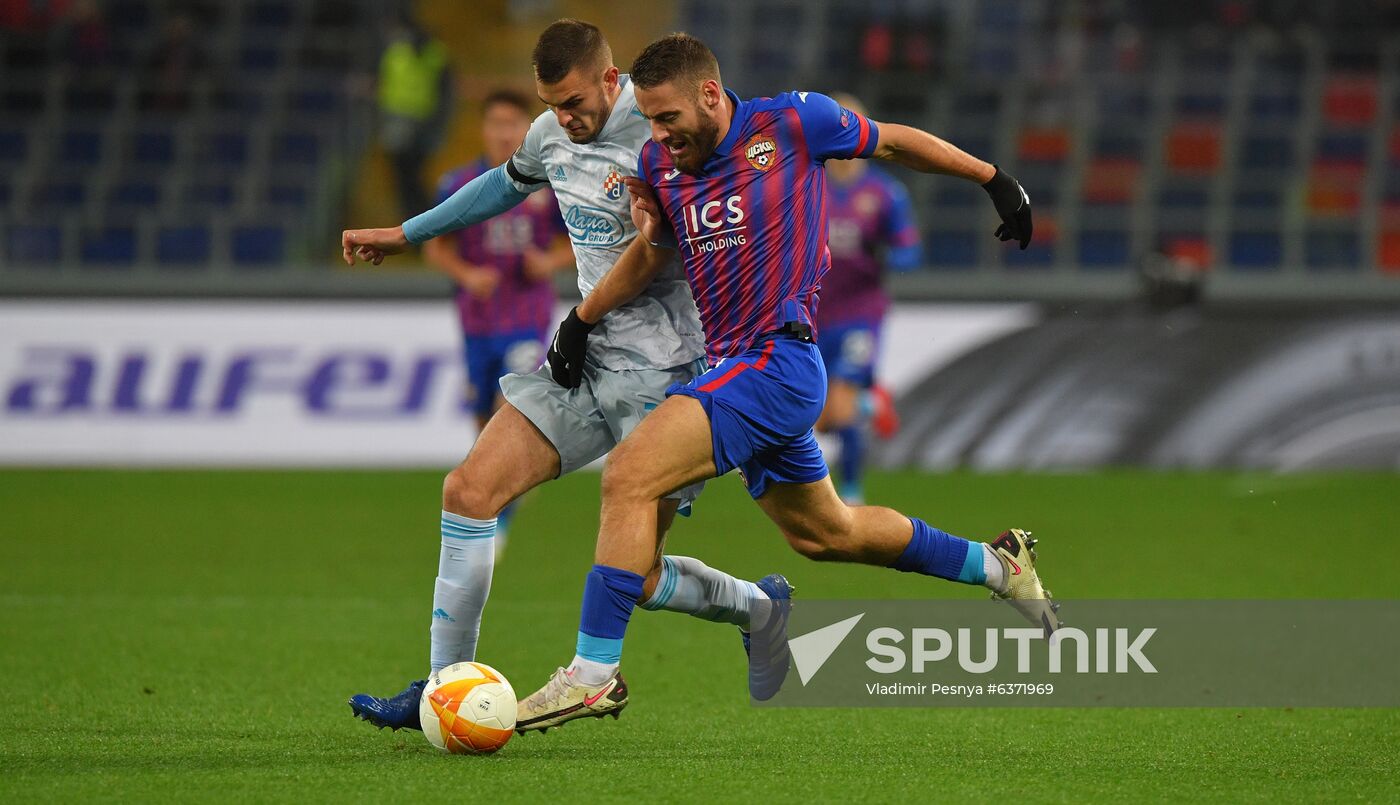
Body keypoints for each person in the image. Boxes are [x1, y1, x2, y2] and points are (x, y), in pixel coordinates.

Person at [517, 33, 1059, 732]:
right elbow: (652, 253)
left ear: (709, 95)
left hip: (777, 360)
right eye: (648, 120)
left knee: (628, 474)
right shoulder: (660, 163)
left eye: (667, 117)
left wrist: (993, 180)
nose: (657, 135)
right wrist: (582, 318)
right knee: (828, 533)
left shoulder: (793, 123)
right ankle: (997, 566)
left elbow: (890, 142)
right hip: (733, 368)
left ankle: (591, 676)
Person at [339, 20, 789, 732]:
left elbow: (727, 201)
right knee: (469, 489)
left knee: (637, 578)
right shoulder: (551, 133)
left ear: (612, 82)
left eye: (577, 103)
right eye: (555, 105)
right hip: (584, 357)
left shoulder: (668, 127)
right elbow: (502, 185)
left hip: (672, 376)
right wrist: (406, 234)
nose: (566, 120)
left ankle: (759, 609)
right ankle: (442, 685)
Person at [423, 88, 574, 549]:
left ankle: (498, 525)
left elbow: (580, 242)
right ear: (485, 129)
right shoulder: (459, 184)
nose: (504, 133)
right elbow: (435, 246)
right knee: (482, 430)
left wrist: (546, 265)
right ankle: (488, 510)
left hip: (527, 318)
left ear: (527, 130)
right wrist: (467, 275)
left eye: (514, 124)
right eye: (497, 124)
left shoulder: (549, 186)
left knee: (508, 413)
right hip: (477, 322)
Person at [813, 92, 923, 505]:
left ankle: (853, 496)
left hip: (860, 314)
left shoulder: (884, 193)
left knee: (840, 409)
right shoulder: (811, 185)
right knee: (821, 419)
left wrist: (887, 252)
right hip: (813, 315)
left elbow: (910, 253)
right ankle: (873, 401)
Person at [377, 11, 452, 217]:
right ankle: (412, 224)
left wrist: (435, 128)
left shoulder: (432, 53)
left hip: (420, 126)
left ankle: (422, 222)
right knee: (404, 180)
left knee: (412, 180)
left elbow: (445, 92)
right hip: (396, 126)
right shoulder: (396, 52)